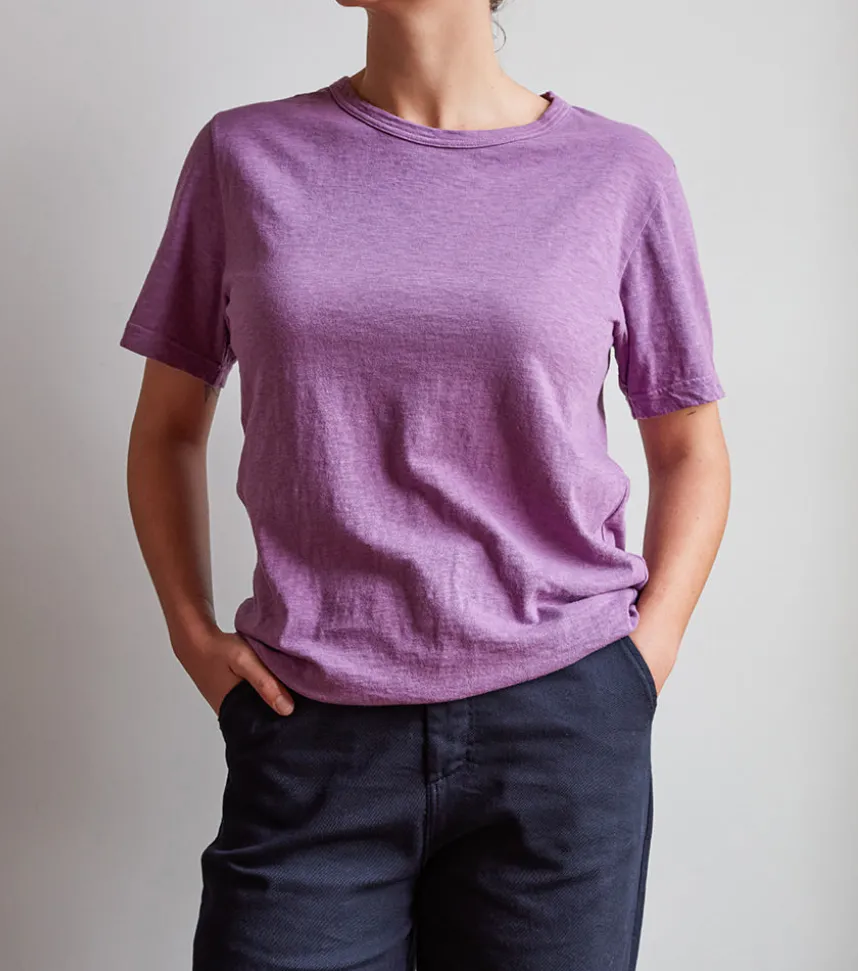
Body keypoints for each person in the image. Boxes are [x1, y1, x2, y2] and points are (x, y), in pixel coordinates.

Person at [119, 1, 731, 967]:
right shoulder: (243, 156)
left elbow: (690, 443)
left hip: (559, 721)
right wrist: (191, 633)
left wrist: (639, 662)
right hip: (312, 723)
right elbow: (166, 428)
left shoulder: (619, 171)